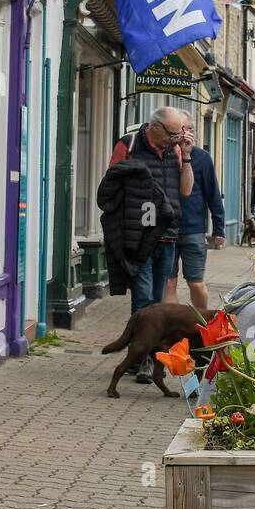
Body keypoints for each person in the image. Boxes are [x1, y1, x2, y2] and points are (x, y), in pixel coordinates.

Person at [105, 106, 194, 383]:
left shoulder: (176, 151)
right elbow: (109, 184)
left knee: (157, 302)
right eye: (171, 134)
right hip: (139, 236)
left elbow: (186, 190)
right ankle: (143, 360)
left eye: (179, 134)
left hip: (167, 235)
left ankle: (140, 355)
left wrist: (187, 156)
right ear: (154, 127)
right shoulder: (128, 144)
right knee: (143, 299)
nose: (174, 139)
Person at [163, 113, 223, 308]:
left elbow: (213, 194)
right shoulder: (165, 154)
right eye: (184, 129)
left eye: (190, 129)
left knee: (195, 284)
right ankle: (173, 328)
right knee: (169, 284)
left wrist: (219, 229)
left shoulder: (202, 158)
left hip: (193, 230)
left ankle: (201, 324)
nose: (188, 133)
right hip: (167, 229)